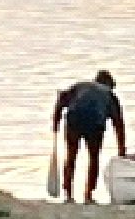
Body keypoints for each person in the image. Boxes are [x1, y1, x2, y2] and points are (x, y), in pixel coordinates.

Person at [52, 70, 126, 204]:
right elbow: (118, 124)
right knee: (93, 158)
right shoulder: (109, 95)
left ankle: (68, 195)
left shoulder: (80, 86)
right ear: (109, 85)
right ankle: (88, 195)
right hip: (95, 122)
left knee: (71, 156)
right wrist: (121, 149)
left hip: (73, 118)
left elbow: (61, 100)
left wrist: (55, 124)